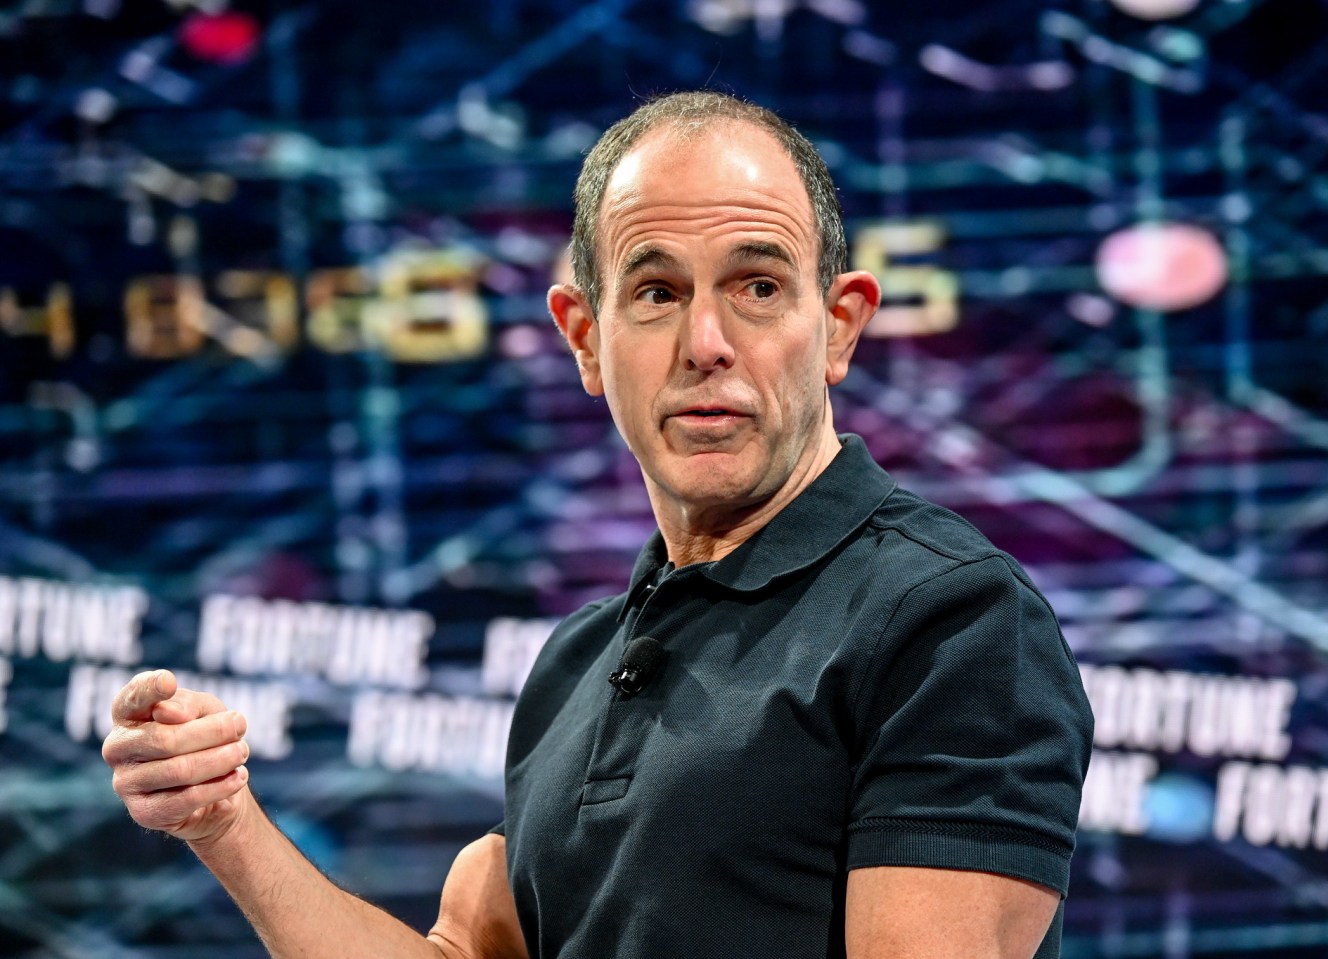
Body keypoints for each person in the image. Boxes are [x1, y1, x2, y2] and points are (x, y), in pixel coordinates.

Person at [104, 91, 1093, 959]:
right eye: (657, 292)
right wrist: (226, 822)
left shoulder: (951, 618)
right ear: (585, 337)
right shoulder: (577, 661)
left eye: (757, 285)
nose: (707, 343)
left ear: (838, 325)